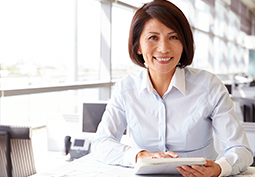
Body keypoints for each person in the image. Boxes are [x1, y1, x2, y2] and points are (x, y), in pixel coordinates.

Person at [91, 0, 253, 176]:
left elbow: (241, 149)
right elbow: (101, 143)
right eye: (153, 37)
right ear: (138, 46)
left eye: (173, 37)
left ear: (183, 44)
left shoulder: (209, 86)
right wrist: (139, 156)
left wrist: (219, 168)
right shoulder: (126, 88)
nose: (163, 48)